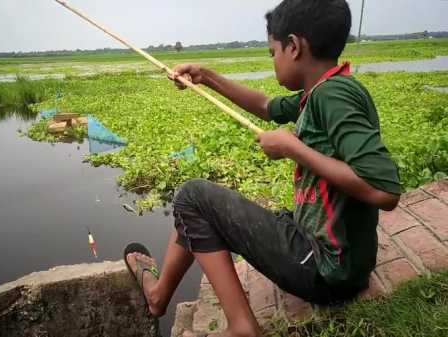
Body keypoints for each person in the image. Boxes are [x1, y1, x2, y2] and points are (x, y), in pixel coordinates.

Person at [124, 1, 402, 336]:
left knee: (191, 196)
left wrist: (292, 148)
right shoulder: (318, 92)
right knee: (202, 209)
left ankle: (241, 327)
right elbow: (265, 107)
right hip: (342, 264)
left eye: (273, 52)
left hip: (326, 270)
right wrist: (207, 77)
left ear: (294, 47)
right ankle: (157, 296)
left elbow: (383, 190)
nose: (273, 61)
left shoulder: (334, 96)